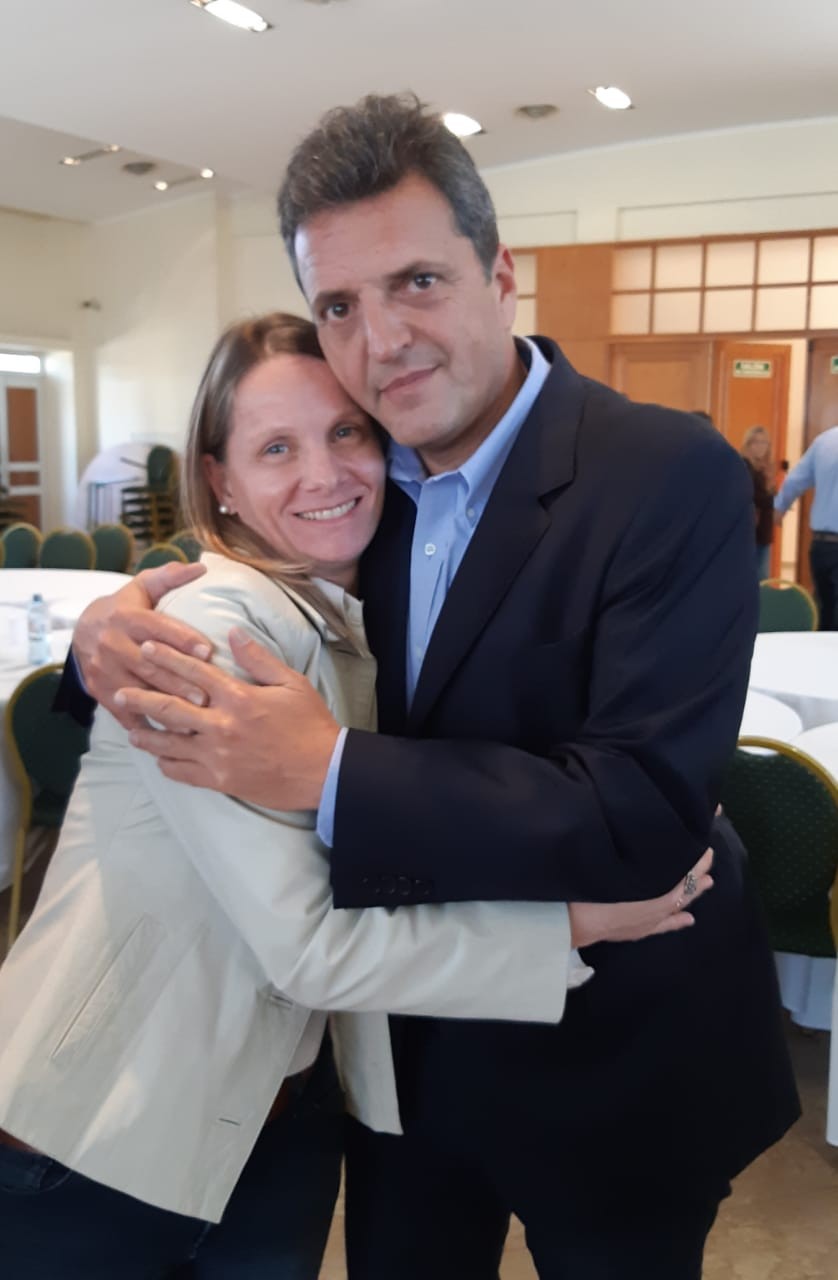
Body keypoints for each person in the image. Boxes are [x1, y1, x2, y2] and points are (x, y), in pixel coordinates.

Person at [67, 96, 798, 1280]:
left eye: (417, 281)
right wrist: (104, 630)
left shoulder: (665, 472)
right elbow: (250, 585)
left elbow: (639, 811)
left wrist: (330, 768)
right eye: (339, 306)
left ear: (500, 274)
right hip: (406, 1061)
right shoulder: (366, 482)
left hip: (617, 1055)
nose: (382, 339)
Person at [0, 312, 710, 1279]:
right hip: (102, 1125)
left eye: (346, 432)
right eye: (276, 448)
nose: (325, 474)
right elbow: (311, 948)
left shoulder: (364, 604)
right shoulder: (214, 628)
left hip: (274, 1123)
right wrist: (580, 923)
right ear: (219, 479)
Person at [774, 424, 838, 628]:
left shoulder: (824, 442)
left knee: (824, 610)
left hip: (822, 545)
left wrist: (779, 507)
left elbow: (795, 481)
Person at [741, 424, 776, 580]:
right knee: (758, 579)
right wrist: (777, 500)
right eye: (757, 442)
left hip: (762, 532)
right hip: (752, 533)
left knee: (762, 577)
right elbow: (755, 496)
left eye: (765, 443)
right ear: (748, 444)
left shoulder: (760, 469)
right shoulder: (745, 466)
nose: (761, 447)